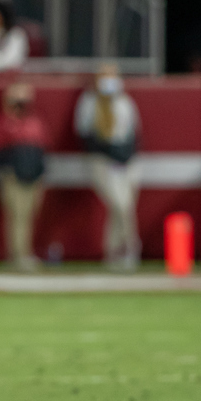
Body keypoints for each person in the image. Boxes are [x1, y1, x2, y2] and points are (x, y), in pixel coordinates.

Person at [74, 62, 141, 271]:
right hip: (102, 161)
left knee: (123, 206)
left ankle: (113, 251)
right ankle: (131, 246)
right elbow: (84, 135)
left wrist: (124, 152)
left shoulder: (124, 102)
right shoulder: (88, 101)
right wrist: (109, 149)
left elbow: (134, 132)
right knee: (120, 204)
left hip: (126, 161)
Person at [0, 81, 47, 271]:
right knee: (17, 217)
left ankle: (25, 253)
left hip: (33, 176)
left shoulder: (34, 122)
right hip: (13, 177)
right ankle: (17, 256)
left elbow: (42, 147)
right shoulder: (3, 122)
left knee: (28, 216)